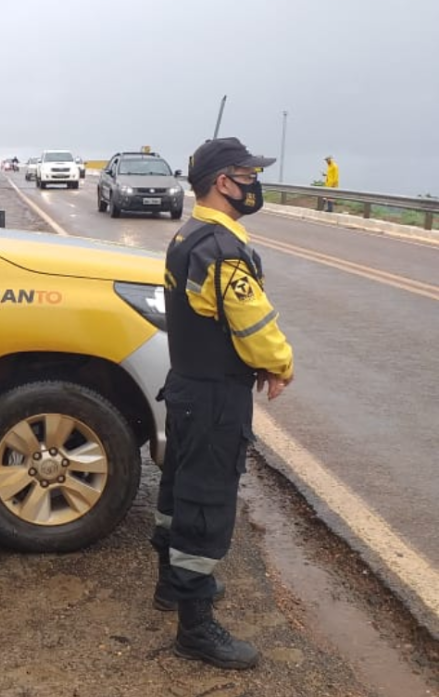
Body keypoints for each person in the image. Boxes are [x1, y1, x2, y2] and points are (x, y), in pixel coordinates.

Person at [151, 137, 295, 670]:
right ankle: (195, 626)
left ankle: (171, 585)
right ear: (222, 183)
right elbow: (253, 323)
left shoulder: (188, 235)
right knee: (207, 504)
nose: (253, 183)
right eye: (246, 174)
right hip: (214, 398)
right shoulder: (224, 251)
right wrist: (279, 362)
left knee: (178, 489)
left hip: (186, 386)